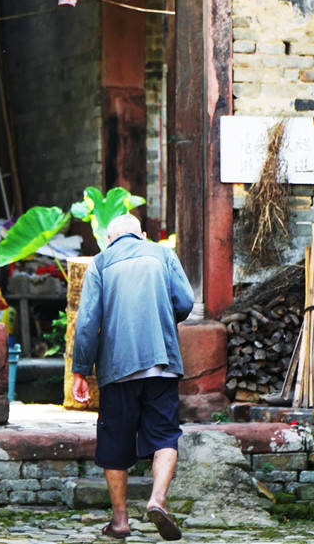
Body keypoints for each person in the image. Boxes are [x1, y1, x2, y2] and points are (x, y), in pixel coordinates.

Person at [71, 213, 194, 541]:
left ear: (109, 239)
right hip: (162, 362)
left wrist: (81, 370)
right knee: (166, 434)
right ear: (140, 234)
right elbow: (185, 302)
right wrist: (164, 317)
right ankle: (157, 500)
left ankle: (121, 521)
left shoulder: (100, 263)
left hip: (117, 369)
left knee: (115, 441)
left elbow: (86, 325)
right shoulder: (164, 254)